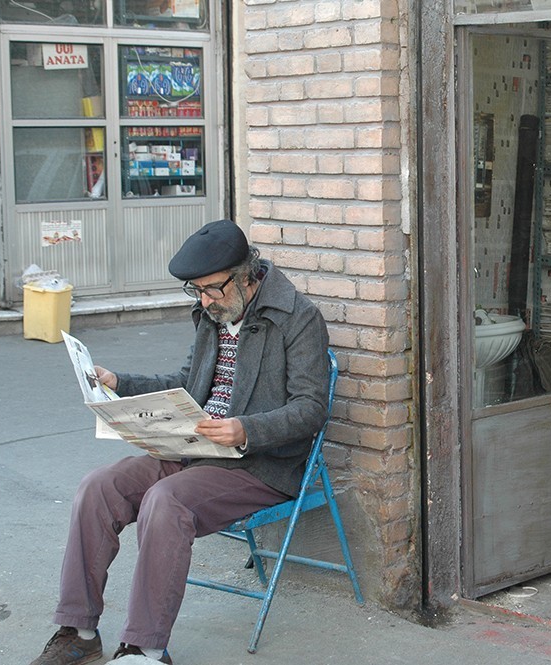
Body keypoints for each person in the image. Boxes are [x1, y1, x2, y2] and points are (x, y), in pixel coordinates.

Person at [30, 219, 331, 665]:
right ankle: (79, 631)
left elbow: (310, 408)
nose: (205, 300)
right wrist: (122, 384)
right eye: (196, 291)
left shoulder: (298, 318)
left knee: (165, 502)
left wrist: (246, 428)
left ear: (246, 274)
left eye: (212, 289)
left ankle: (145, 648)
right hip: (195, 449)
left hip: (257, 465)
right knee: (99, 487)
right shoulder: (213, 315)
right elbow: (188, 383)